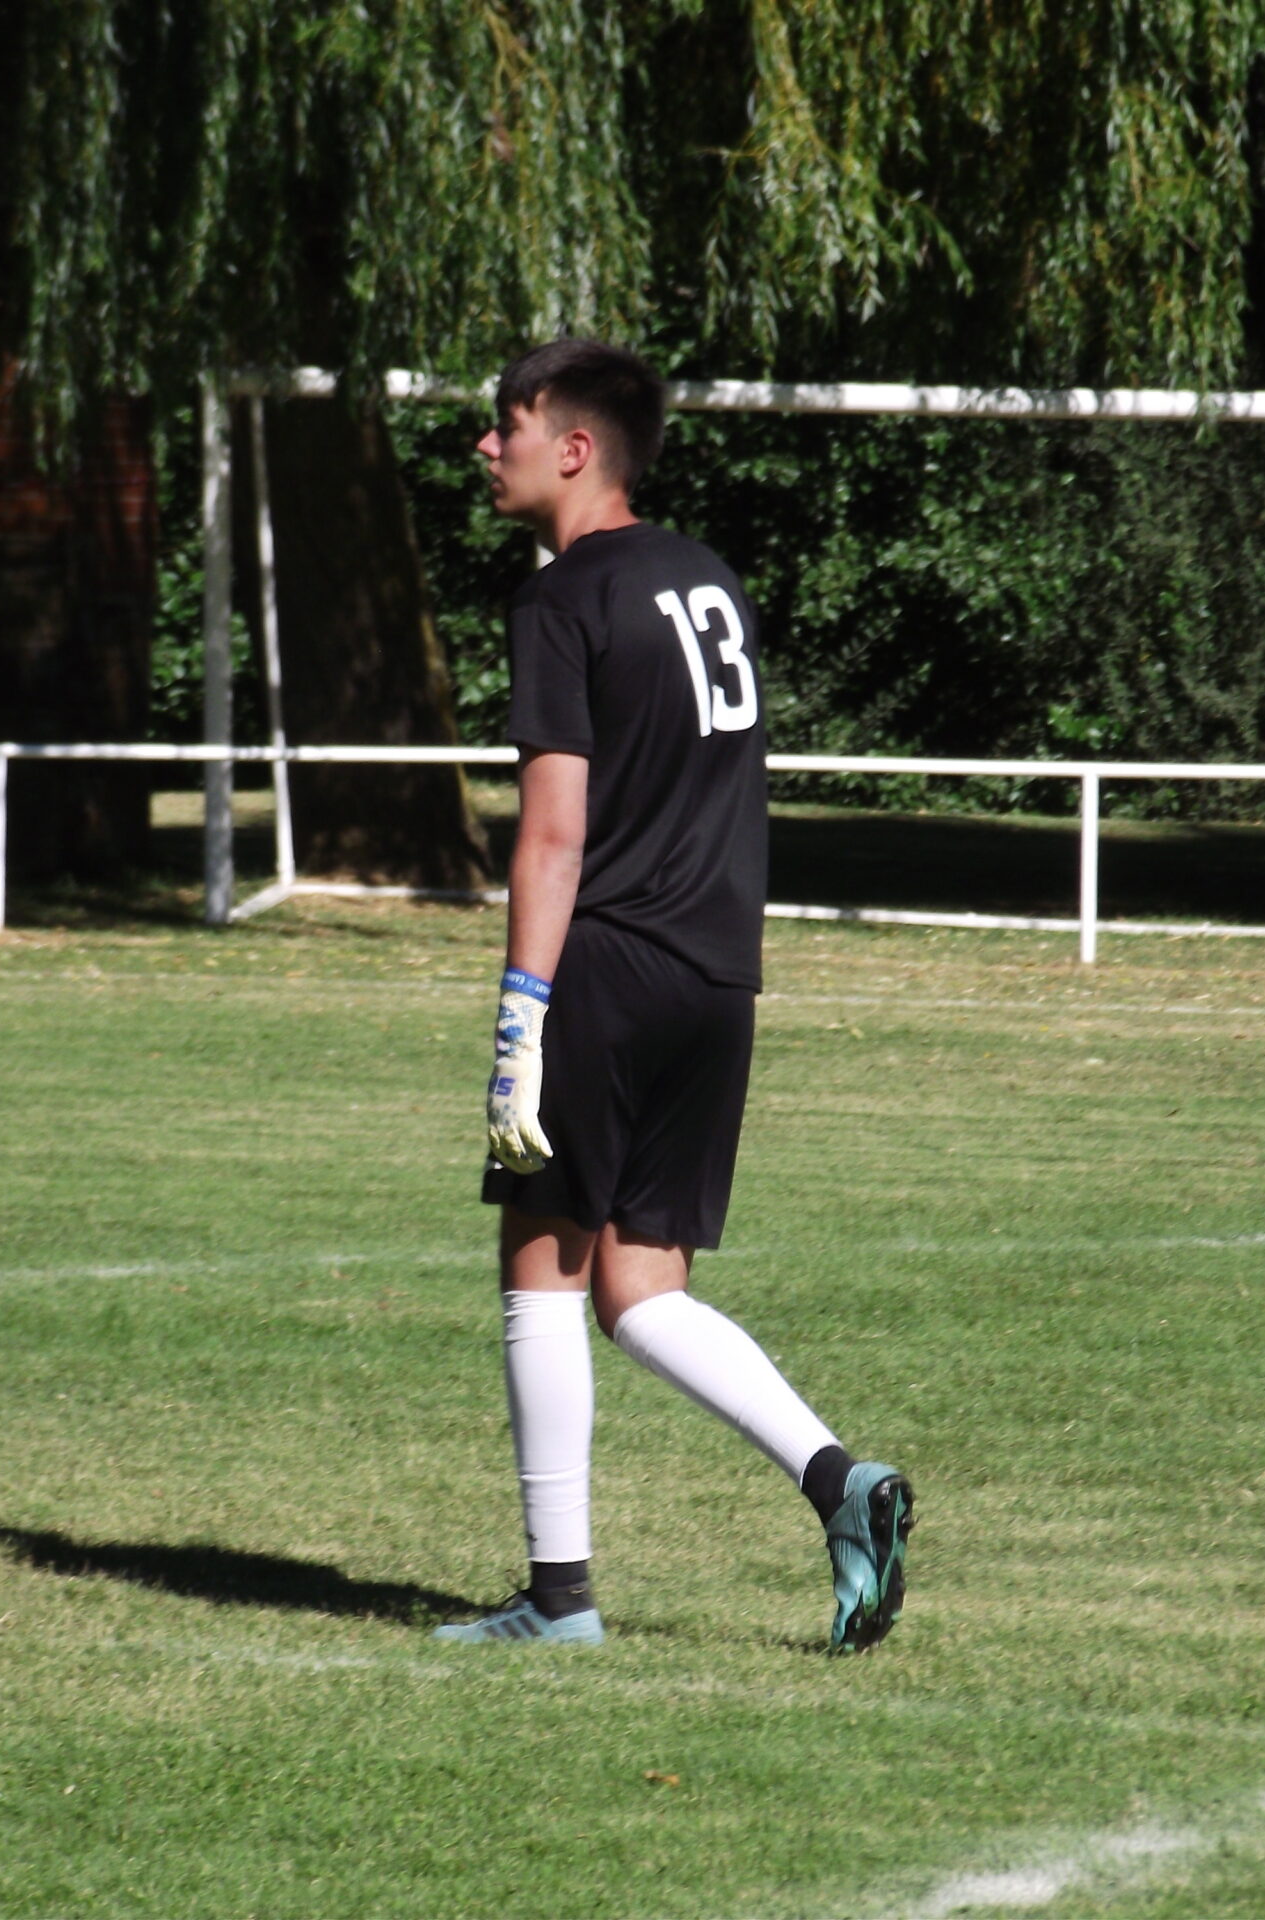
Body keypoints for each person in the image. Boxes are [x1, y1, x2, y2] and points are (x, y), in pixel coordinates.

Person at [440, 340, 913, 1653]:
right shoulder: (709, 578)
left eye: (505, 425)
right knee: (640, 1287)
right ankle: (841, 1483)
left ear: (573, 447)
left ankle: (559, 1600)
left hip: (607, 963)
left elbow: (554, 835)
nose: (486, 447)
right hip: (718, 974)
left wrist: (521, 1015)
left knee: (541, 1266)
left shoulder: (559, 599)